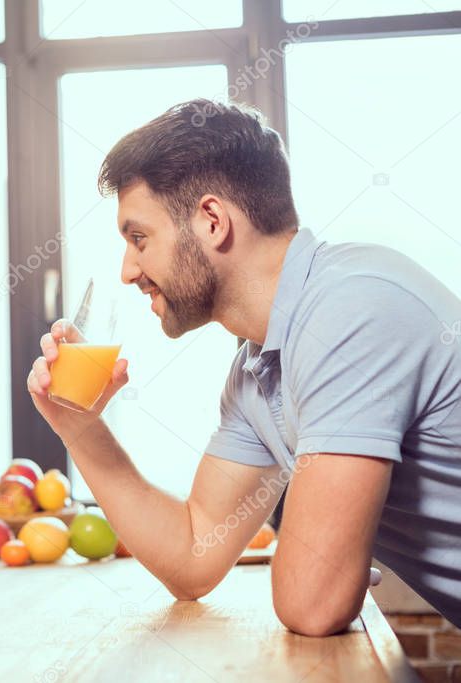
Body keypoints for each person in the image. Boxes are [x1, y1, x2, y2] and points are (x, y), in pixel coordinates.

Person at [28, 99, 461, 636]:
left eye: (139, 239)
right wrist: (79, 426)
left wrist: (324, 565)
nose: (128, 270)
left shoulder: (351, 308)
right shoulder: (257, 370)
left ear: (212, 221)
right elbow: (193, 555)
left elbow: (313, 604)